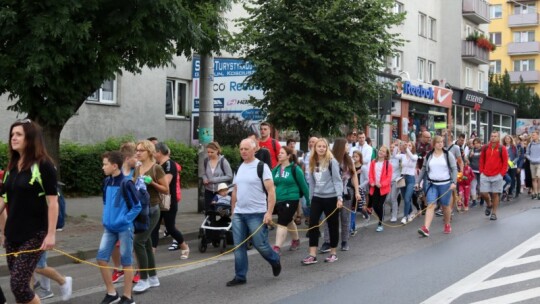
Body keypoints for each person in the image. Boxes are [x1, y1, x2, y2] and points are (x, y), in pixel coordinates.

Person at [0, 119, 59, 304]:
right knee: (22, 286)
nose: (13, 138)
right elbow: (3, 198)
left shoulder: (44, 165)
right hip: (12, 234)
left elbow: (53, 202)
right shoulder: (12, 166)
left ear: (30, 139)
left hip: (34, 234)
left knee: (18, 285)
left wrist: (50, 235)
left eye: (18, 135)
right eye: (12, 135)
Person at [227, 138, 281, 286]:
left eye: (246, 149)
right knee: (238, 246)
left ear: (254, 150)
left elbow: (271, 191)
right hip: (239, 213)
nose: (243, 151)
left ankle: (274, 259)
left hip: (256, 213)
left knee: (260, 245)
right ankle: (240, 276)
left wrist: (269, 213)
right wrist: (233, 211)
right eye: (241, 149)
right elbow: (235, 190)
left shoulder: (261, 167)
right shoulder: (239, 168)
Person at [97, 151, 141, 304]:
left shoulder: (127, 183)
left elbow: (137, 206)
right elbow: (105, 202)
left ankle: (128, 297)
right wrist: (106, 218)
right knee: (101, 259)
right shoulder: (107, 182)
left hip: (123, 228)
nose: (103, 167)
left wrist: (124, 220)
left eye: (105, 164)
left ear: (115, 166)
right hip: (109, 228)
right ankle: (112, 293)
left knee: (126, 262)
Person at [132, 140, 169, 293]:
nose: (138, 153)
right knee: (145, 242)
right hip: (140, 209)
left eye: (141, 150)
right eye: (137, 150)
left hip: (153, 209)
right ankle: (153, 277)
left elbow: (165, 190)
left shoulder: (156, 168)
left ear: (149, 152)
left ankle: (143, 279)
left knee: (138, 242)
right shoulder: (137, 167)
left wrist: (152, 183)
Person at [302, 138, 343, 265]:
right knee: (313, 224)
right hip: (317, 198)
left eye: (323, 146)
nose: (321, 148)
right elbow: (312, 182)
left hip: (331, 197)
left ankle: (333, 253)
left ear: (327, 148)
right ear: (315, 148)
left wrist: (339, 197)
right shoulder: (312, 161)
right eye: (318, 146)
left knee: (332, 225)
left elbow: (337, 180)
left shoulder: (332, 162)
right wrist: (311, 197)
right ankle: (312, 255)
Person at [320, 138, 360, 252]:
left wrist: (357, 191)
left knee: (345, 217)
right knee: (330, 217)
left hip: (346, 191)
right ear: (341, 146)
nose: (348, 147)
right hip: (331, 192)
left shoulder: (349, 160)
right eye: (347, 145)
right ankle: (327, 242)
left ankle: (344, 241)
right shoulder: (330, 159)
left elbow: (354, 176)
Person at [151, 142, 190, 258]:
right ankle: (151, 254)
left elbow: (166, 182)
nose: (152, 154)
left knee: (170, 227)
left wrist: (151, 182)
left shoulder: (169, 164)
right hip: (157, 200)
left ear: (159, 152)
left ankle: (184, 246)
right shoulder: (157, 164)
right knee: (154, 227)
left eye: (154, 152)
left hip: (168, 201)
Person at [271, 147, 310, 254]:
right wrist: (277, 165)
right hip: (279, 199)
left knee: (282, 222)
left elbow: (304, 186)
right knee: (288, 220)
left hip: (291, 199)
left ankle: (277, 247)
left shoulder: (295, 169)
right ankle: (296, 240)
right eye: (278, 153)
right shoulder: (277, 169)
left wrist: (308, 200)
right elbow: (271, 177)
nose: (279, 155)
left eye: (282, 153)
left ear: (288, 156)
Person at [417, 135, 458, 237]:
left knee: (445, 206)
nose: (441, 144)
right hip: (432, 184)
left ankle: (447, 224)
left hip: (445, 184)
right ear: (434, 144)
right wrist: (418, 182)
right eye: (438, 142)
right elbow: (423, 169)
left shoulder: (448, 155)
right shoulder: (429, 155)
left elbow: (454, 169)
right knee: (431, 205)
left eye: (442, 142)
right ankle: (426, 228)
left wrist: (454, 182)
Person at [111, 142, 140, 284]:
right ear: (128, 158)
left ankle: (138, 270)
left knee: (132, 242)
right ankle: (118, 269)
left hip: (132, 211)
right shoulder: (117, 171)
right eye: (136, 156)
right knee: (114, 242)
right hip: (117, 211)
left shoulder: (137, 170)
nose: (138, 158)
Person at [480, 131, 508, 221]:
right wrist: (481, 172)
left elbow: (505, 162)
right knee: (483, 193)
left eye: (495, 136)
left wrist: (501, 174)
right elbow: (481, 160)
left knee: (495, 194)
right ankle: (489, 204)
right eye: (492, 136)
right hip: (485, 174)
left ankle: (494, 213)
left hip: (497, 175)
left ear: (498, 138)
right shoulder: (485, 147)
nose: (493, 138)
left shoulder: (502, 148)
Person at [364, 146, 393, 232]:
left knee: (380, 205)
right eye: (380, 150)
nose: (381, 152)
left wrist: (382, 184)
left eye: (383, 151)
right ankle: (379, 217)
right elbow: (370, 174)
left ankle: (380, 223)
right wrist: (372, 182)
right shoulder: (373, 162)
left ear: (386, 154)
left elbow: (388, 178)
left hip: (383, 189)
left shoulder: (388, 164)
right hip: (374, 187)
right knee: (375, 206)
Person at [202, 141, 234, 214]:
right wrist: (204, 179)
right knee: (208, 211)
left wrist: (214, 180)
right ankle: (209, 224)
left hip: (221, 192)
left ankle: (223, 224)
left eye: (212, 152)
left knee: (222, 212)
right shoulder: (206, 161)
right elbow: (204, 174)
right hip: (209, 190)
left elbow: (229, 176)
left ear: (217, 151)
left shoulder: (223, 161)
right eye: (208, 152)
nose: (209, 154)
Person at [394, 141, 418, 224]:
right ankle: (410, 212)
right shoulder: (403, 156)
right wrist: (398, 146)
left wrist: (406, 148)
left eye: (410, 145)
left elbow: (412, 157)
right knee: (405, 198)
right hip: (402, 178)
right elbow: (395, 156)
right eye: (407, 145)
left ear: (412, 147)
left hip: (411, 178)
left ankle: (405, 216)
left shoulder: (415, 156)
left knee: (407, 197)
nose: (408, 146)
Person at [350, 150, 368, 236]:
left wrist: (360, 186)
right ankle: (353, 228)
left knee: (361, 208)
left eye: (356, 156)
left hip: (360, 190)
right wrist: (355, 173)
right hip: (351, 190)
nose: (355, 158)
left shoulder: (363, 167)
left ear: (360, 157)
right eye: (353, 156)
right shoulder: (351, 166)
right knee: (353, 209)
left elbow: (367, 180)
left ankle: (366, 215)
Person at [388, 139, 403, 223]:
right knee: (387, 199)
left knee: (393, 198)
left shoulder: (399, 157)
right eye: (391, 147)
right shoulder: (388, 158)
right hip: (388, 181)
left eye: (394, 147)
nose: (392, 148)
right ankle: (395, 208)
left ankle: (394, 215)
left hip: (396, 180)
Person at [502, 135, 518, 201]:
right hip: (505, 166)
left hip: (512, 166)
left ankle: (510, 193)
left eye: (508, 139)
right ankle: (504, 191)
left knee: (512, 179)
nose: (507, 140)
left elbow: (517, 157)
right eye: (506, 139)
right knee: (506, 179)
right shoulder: (502, 147)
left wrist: (512, 163)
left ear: (511, 140)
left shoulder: (514, 147)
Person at [468, 138, 483, 207]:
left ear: (480, 143)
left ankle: (482, 198)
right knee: (473, 185)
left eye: (477, 143)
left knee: (480, 186)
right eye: (474, 143)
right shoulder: (472, 150)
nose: (476, 145)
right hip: (473, 170)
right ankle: (474, 201)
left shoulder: (483, 150)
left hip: (480, 171)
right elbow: (469, 160)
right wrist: (470, 156)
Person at [526, 131, 540, 200]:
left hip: (539, 163)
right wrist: (530, 159)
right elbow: (527, 153)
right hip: (532, 163)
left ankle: (539, 192)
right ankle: (535, 193)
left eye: (534, 135)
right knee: (534, 179)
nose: (532, 136)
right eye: (532, 135)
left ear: (538, 135)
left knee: (538, 177)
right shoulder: (530, 144)